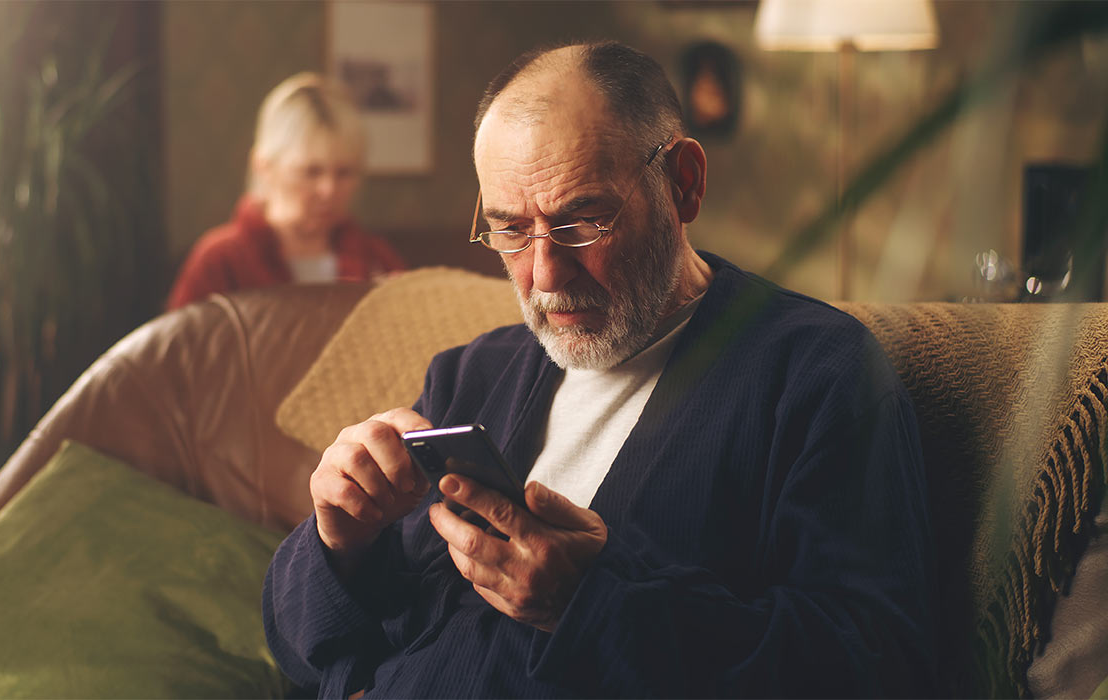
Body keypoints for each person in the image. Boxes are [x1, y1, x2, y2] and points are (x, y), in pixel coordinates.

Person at [263, 42, 937, 697]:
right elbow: (295, 645)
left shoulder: (813, 373)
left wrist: (594, 607)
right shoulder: (470, 375)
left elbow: (875, 666)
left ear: (684, 184)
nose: (545, 274)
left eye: (582, 222)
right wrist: (338, 540)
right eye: (510, 230)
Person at [166, 73, 405, 311]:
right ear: (265, 168)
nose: (329, 190)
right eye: (311, 172)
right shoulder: (220, 261)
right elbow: (183, 345)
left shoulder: (376, 258)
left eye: (344, 173)